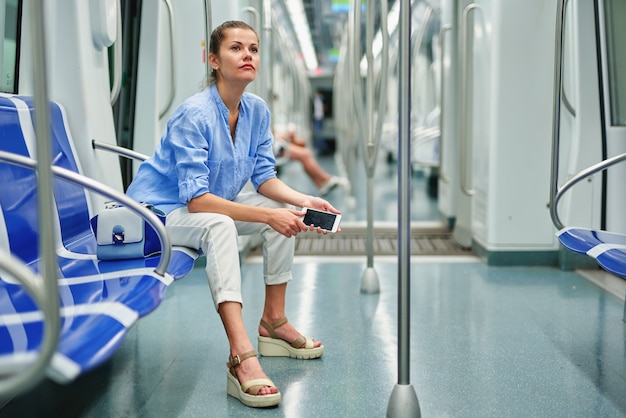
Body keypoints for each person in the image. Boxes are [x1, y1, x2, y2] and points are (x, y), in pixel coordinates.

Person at [126, 20, 340, 409]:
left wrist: (304, 200)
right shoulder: (194, 114)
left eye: (254, 49)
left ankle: (273, 322)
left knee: (279, 210)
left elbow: (264, 178)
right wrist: (266, 218)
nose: (247, 55)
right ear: (213, 60)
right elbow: (198, 202)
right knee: (222, 225)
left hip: (204, 208)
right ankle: (241, 355)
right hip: (157, 216)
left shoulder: (256, 110)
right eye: (236, 48)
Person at [273, 127, 349, 196]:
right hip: (273, 147)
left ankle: (322, 183)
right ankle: (326, 180)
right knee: (305, 154)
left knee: (302, 146)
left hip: (275, 143)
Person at [312, 89, 326, 154]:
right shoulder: (316, 100)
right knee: (318, 135)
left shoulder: (319, 100)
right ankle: (321, 148)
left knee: (319, 135)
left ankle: (322, 148)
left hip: (319, 119)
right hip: (317, 119)